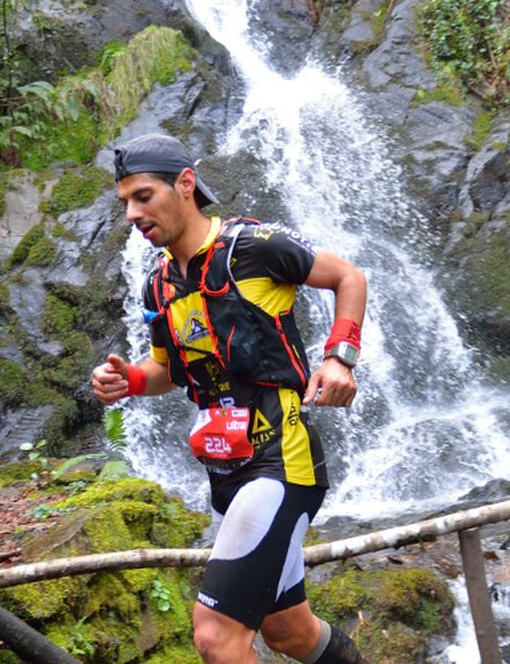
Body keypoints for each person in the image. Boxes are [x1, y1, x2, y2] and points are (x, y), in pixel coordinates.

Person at [91, 132, 369, 664]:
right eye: (125, 201)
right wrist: (129, 381)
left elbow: (347, 277)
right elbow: (166, 370)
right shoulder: (158, 285)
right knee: (290, 632)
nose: (131, 214)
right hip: (225, 470)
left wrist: (340, 357)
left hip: (280, 461)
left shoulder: (255, 245)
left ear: (185, 185)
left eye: (143, 197)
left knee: (216, 636)